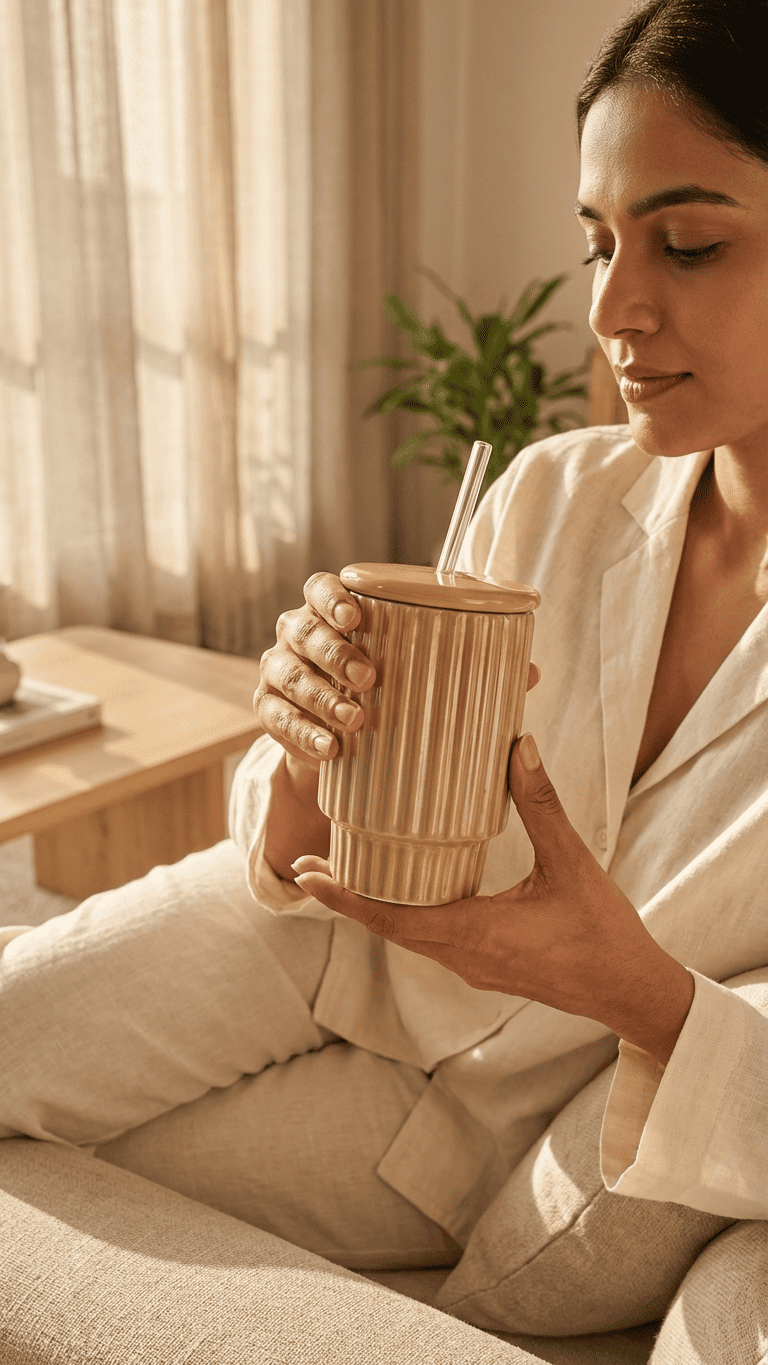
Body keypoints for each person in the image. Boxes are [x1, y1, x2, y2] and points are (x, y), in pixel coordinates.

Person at [1, 0, 766, 1354]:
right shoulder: (556, 491)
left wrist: (637, 992)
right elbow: (310, 845)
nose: (612, 309)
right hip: (324, 952)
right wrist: (306, 736)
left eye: (688, 244)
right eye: (596, 242)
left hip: (509, 1115)